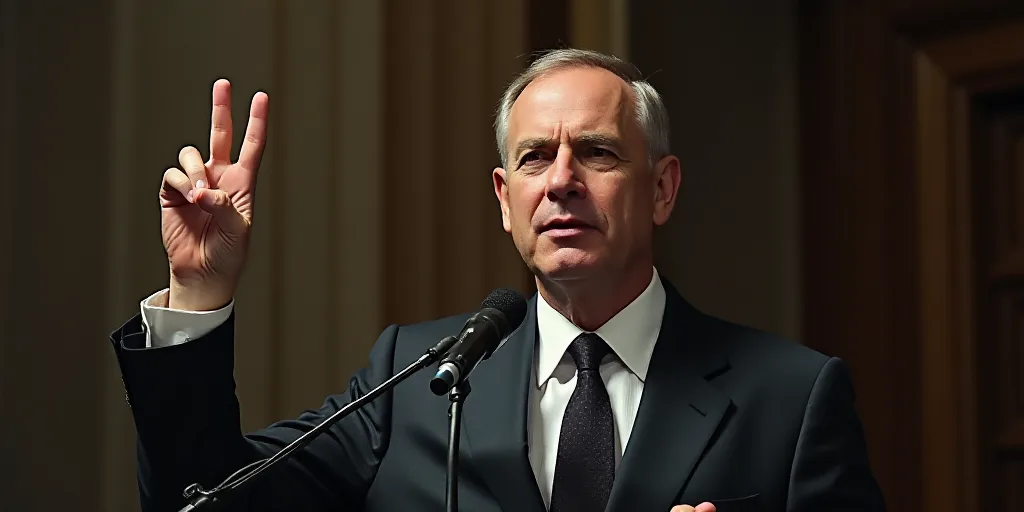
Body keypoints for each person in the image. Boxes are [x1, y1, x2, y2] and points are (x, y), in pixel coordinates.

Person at [109, 49, 886, 512]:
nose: (562, 181)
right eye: (534, 159)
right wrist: (200, 291)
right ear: (504, 200)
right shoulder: (411, 378)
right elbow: (200, 500)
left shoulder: (792, 396)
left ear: (663, 189)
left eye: (599, 153)